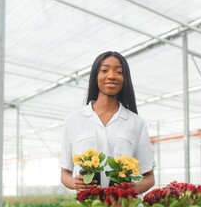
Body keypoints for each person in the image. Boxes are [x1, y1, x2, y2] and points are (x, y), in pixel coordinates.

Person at [60, 51, 155, 194]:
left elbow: (149, 178)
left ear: (125, 79)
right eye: (104, 70)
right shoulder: (73, 121)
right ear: (95, 76)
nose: (111, 76)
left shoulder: (136, 123)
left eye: (119, 72)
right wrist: (75, 183)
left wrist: (129, 189)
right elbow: (65, 173)